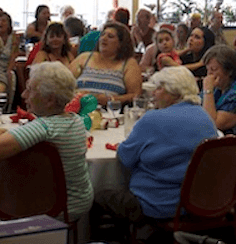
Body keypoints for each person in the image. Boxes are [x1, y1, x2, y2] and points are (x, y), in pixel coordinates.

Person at [90, 66, 217, 242]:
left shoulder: (152, 119)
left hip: (157, 204)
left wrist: (126, 146)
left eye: (157, 89)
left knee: (97, 197)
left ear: (171, 91)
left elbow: (125, 158)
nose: (153, 95)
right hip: (199, 203)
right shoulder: (205, 118)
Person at [0, 62, 93, 222]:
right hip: (78, 203)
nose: (24, 95)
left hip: (54, 208)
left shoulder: (45, 127)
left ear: (49, 100)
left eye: (30, 90)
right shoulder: (76, 121)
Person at [70, 21, 142, 106]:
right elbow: (63, 83)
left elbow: (135, 95)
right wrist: (76, 94)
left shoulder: (128, 63)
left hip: (110, 113)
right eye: (103, 35)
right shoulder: (85, 57)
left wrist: (111, 99)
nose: (104, 38)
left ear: (121, 44)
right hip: (78, 110)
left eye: (110, 36)